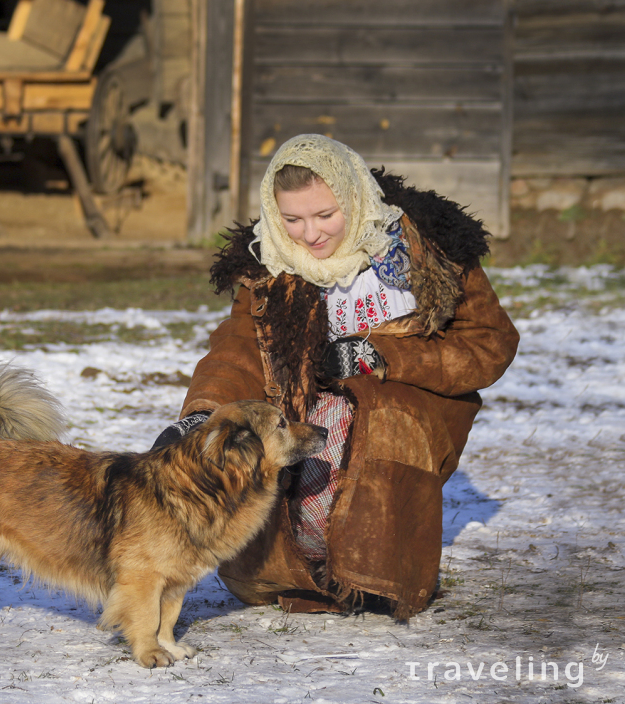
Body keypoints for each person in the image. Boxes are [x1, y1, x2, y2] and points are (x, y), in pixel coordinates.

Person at [153, 134, 519, 619]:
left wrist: (380, 356)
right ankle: (289, 567)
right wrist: (203, 415)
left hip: (407, 407)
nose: (310, 234)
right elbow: (239, 348)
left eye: (326, 215)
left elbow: (489, 343)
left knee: (366, 417)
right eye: (293, 219)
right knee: (287, 432)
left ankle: (367, 570)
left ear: (352, 196)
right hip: (310, 402)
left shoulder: (427, 248)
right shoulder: (272, 263)